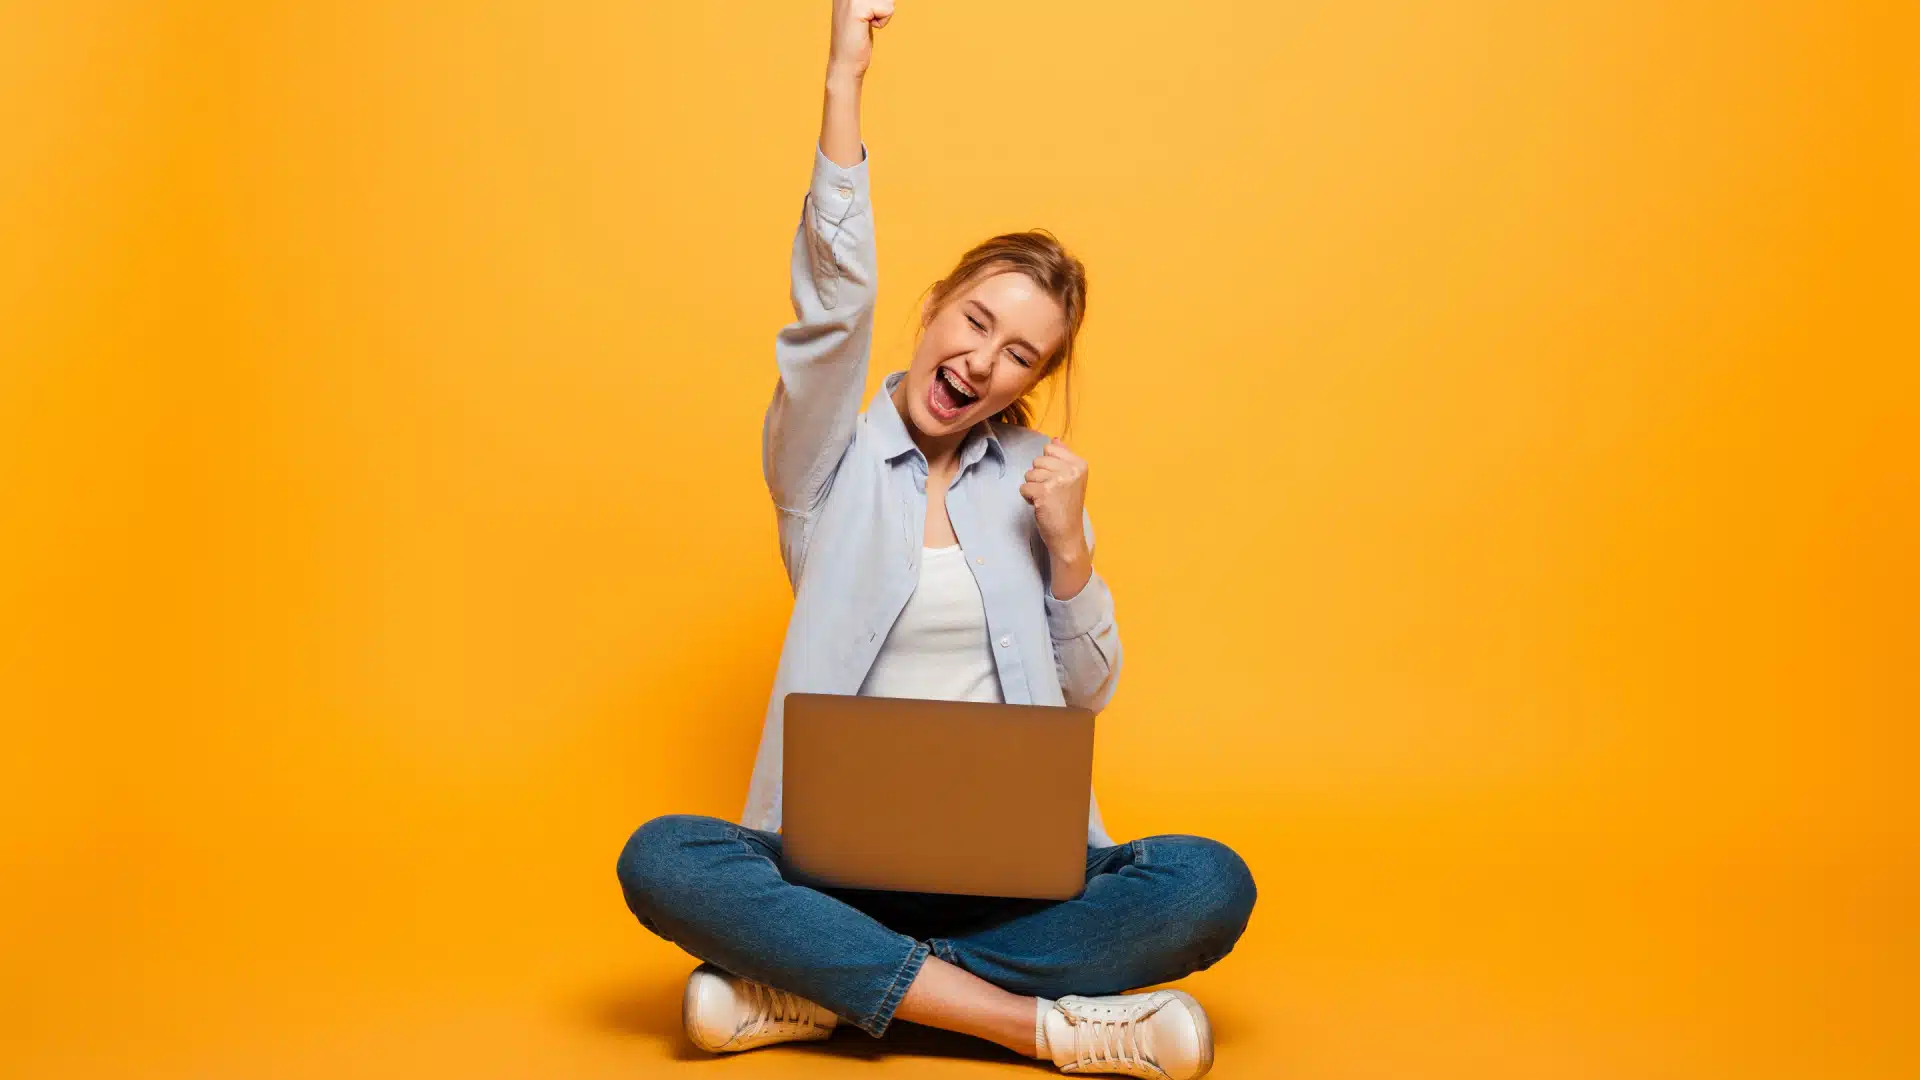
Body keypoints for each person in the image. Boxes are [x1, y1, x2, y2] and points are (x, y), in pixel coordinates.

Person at [615, 3, 1256, 1076]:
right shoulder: (827, 462)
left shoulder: (1038, 488)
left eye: (1020, 356)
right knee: (663, 858)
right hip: (826, 873)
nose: (983, 362)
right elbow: (829, 313)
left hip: (1012, 881)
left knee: (1210, 882)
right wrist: (844, 82)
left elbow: (1089, 694)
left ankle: (821, 986)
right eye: (973, 321)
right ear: (934, 306)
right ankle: (1036, 1025)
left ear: (1033, 382)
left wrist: (1070, 556)